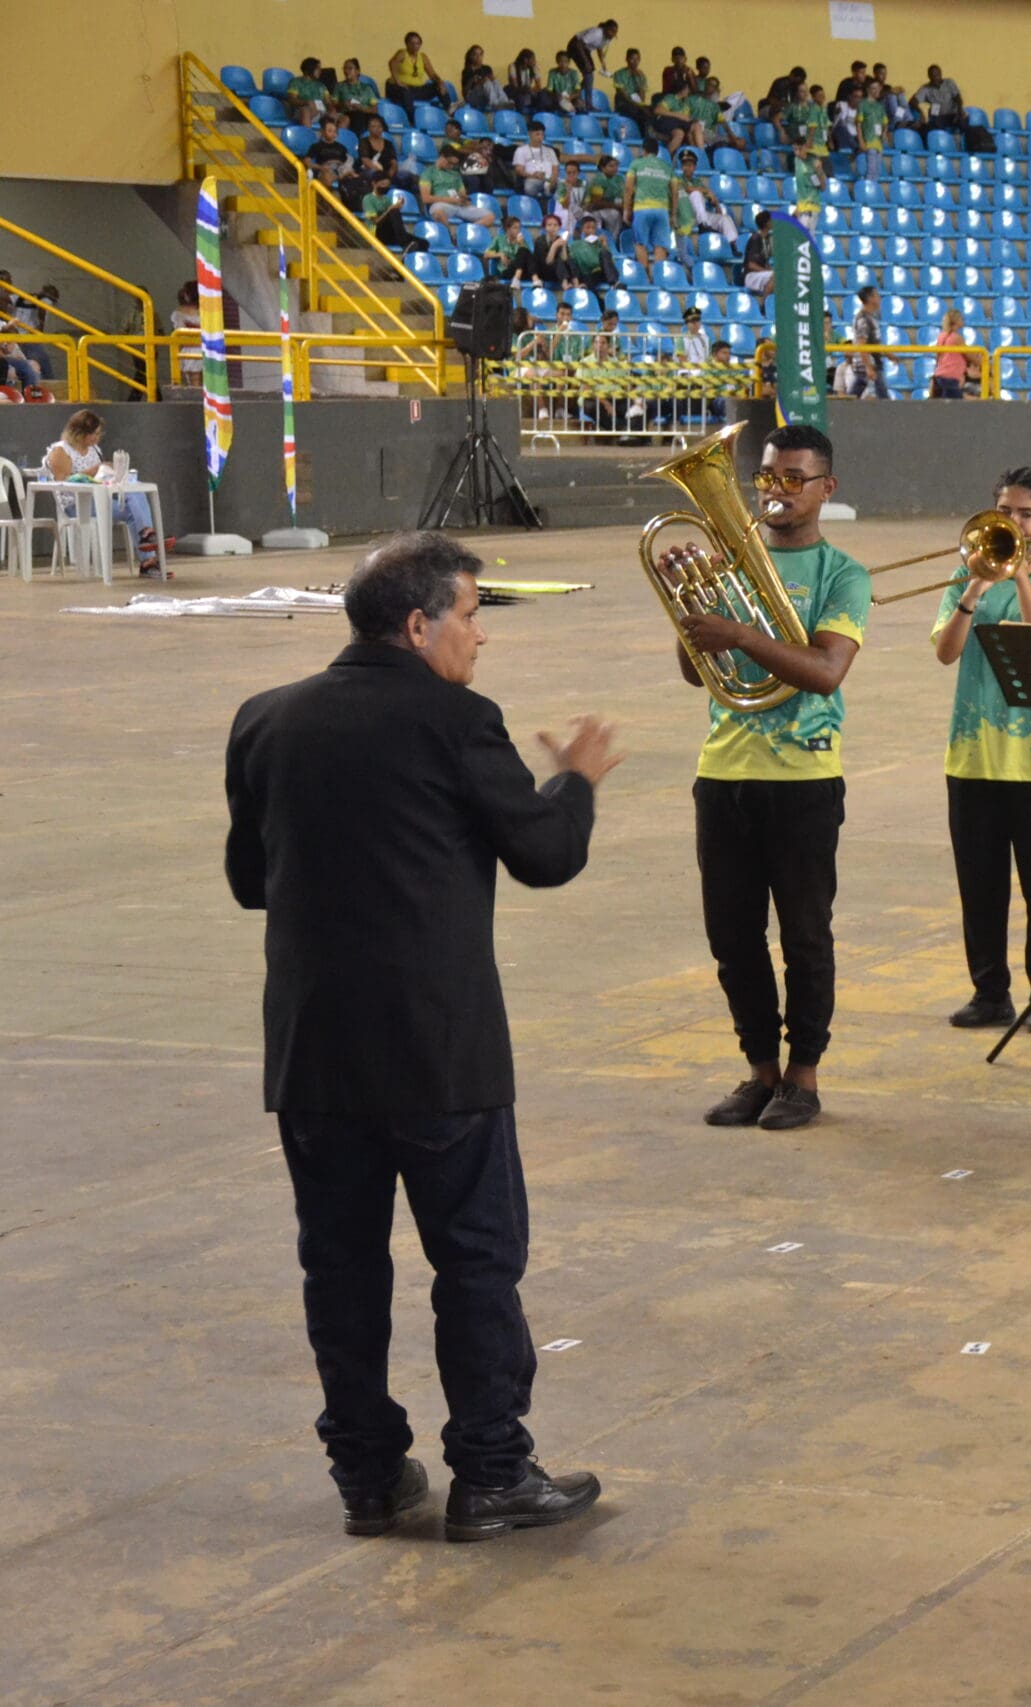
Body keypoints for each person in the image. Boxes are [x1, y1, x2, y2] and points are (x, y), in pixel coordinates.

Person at [225, 532, 620, 1541]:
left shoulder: (266, 718)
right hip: (438, 1053)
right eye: (472, 616)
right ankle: (491, 1472)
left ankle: (367, 1476)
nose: (480, 637)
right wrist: (575, 782)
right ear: (418, 624)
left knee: (341, 1267)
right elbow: (544, 854)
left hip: (314, 1053)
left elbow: (249, 881)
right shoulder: (456, 720)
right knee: (477, 1261)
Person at [663, 424, 870, 1131]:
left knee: (806, 936)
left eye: (793, 479)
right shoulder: (728, 565)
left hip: (804, 776)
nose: (777, 491)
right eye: (768, 477)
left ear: (826, 488)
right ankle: (761, 1071)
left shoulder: (844, 574)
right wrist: (687, 607)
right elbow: (698, 672)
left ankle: (804, 1076)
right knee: (733, 938)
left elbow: (827, 670)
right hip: (723, 771)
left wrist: (743, 634)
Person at [932, 469, 1031, 1034]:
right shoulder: (965, 575)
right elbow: (946, 652)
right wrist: (973, 590)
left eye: (1024, 514)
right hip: (973, 755)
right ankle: (989, 992)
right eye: (1004, 511)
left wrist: (1020, 577)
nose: (1012, 522)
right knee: (980, 886)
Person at [42, 409, 162, 576]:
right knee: (133, 511)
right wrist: (95, 470)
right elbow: (63, 481)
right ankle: (147, 550)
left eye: (99, 434)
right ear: (79, 432)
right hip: (76, 504)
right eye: (93, 434)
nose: (97, 438)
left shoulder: (94, 450)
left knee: (135, 494)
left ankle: (146, 539)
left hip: (100, 498)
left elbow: (100, 477)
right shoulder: (61, 451)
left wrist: (112, 473)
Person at [623, 135, 677, 267]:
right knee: (661, 246)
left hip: (642, 209)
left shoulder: (636, 164)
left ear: (644, 150)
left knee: (640, 244)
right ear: (657, 151)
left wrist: (626, 210)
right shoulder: (667, 167)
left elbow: (628, 189)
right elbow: (675, 193)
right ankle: (658, 275)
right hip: (662, 211)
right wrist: (673, 215)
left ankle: (644, 275)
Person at [846, 283, 887, 398]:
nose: (879, 298)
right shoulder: (863, 319)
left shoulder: (872, 317)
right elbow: (862, 344)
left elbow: (874, 342)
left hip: (873, 362)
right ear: (870, 298)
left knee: (854, 394)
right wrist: (868, 367)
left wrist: (889, 354)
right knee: (883, 397)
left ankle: (843, 405)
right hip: (869, 363)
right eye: (877, 295)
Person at [385, 32, 442, 107]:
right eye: (412, 43)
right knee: (405, 92)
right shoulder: (402, 53)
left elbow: (432, 75)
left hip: (415, 89)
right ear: (406, 44)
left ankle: (449, 109)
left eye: (417, 43)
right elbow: (392, 63)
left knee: (438, 86)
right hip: (399, 89)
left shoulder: (423, 57)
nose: (415, 46)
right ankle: (410, 114)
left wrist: (440, 82)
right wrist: (398, 81)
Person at [930, 308, 974, 399]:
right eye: (961, 318)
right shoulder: (957, 338)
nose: (963, 320)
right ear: (956, 321)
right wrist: (984, 363)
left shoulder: (941, 336)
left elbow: (937, 356)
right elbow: (969, 355)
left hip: (939, 376)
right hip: (950, 377)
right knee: (955, 404)